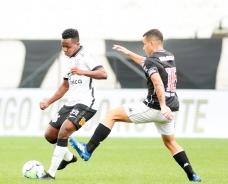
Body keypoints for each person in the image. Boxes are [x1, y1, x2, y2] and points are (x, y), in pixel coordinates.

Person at [69, 29, 202, 182]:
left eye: (145, 44)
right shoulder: (168, 55)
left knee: (111, 115)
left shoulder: (151, 61)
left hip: (156, 107)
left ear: (152, 43)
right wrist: (128, 53)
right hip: (171, 108)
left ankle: (88, 149)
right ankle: (192, 174)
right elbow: (146, 63)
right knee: (170, 143)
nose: (144, 47)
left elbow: (157, 82)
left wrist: (163, 105)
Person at [39, 28, 108, 180]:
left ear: (77, 44)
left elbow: (103, 74)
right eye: (63, 46)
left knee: (64, 131)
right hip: (71, 103)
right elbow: (65, 86)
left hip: (88, 104)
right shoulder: (69, 62)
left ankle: (50, 174)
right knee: (50, 134)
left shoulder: (87, 56)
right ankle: (68, 157)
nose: (65, 49)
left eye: (68, 46)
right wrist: (48, 102)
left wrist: (84, 72)